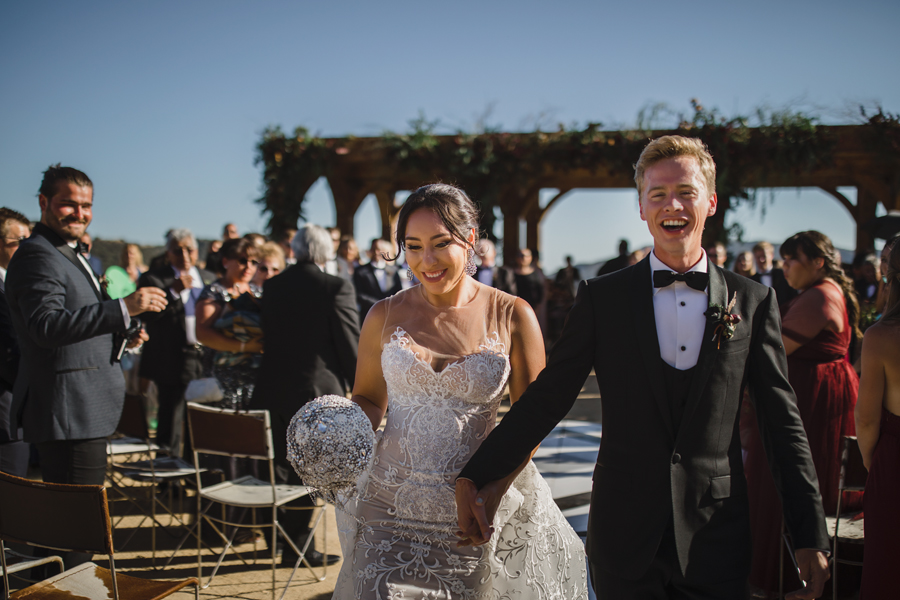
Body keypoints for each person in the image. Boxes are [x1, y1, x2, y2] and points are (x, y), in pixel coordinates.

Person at [456, 136, 830, 599]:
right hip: (623, 535)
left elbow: (781, 423)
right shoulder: (602, 298)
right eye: (658, 194)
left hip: (716, 538)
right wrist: (477, 472)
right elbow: (549, 396)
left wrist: (811, 534)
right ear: (641, 207)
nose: (672, 205)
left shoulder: (753, 302)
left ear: (710, 202)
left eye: (686, 192)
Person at [334, 183, 587, 599]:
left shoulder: (513, 314)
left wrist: (491, 488)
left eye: (439, 244)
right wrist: (335, 429)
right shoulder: (383, 314)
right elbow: (369, 400)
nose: (425, 261)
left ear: (470, 239)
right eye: (412, 247)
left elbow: (532, 419)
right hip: (388, 506)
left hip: (471, 512)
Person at [5, 165, 165, 567]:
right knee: (76, 537)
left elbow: (75, 325)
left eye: (86, 206)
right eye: (68, 204)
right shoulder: (38, 254)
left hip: (83, 407)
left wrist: (122, 333)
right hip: (68, 410)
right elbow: (45, 326)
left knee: (68, 532)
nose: (79, 213)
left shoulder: (65, 253)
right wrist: (122, 309)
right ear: (44, 203)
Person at [743, 230, 862, 594]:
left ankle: (789, 575)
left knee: (789, 473)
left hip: (813, 402)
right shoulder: (820, 293)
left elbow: (771, 352)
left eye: (792, 259)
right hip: (816, 393)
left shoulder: (818, 297)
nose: (785, 266)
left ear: (818, 263)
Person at [250, 224, 358, 568]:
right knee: (308, 472)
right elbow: (347, 341)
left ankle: (277, 541)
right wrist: (362, 385)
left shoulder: (273, 285)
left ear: (294, 249)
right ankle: (297, 548)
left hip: (270, 387)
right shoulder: (335, 286)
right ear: (326, 251)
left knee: (279, 469)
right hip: (314, 395)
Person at [137, 229, 215, 453]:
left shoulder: (208, 278)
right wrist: (173, 291)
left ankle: (195, 476)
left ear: (197, 251)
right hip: (171, 359)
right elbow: (146, 315)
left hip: (204, 359)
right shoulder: (154, 278)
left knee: (200, 419)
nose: (184, 255)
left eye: (189, 249)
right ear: (168, 253)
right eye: (177, 250)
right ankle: (169, 483)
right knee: (171, 420)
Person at [855, 239, 900, 599]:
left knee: (889, 565)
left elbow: (867, 420)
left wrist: (876, 464)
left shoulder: (882, 336)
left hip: (895, 461)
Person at [195, 237, 263, 409]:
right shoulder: (214, 292)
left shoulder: (258, 292)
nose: (249, 267)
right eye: (242, 260)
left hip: (256, 375)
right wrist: (243, 347)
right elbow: (202, 333)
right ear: (225, 261)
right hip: (223, 376)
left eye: (254, 262)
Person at [0, 207, 31, 476]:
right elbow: (9, 353)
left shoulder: (11, 283)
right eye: (19, 241)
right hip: (5, 414)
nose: (26, 249)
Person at [353, 238, 401, 319]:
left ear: (384, 251)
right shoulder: (360, 271)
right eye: (373, 249)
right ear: (370, 251)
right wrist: (379, 305)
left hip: (391, 316)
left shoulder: (393, 270)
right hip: (369, 315)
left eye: (378, 249)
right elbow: (359, 294)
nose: (376, 252)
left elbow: (399, 291)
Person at [751, 240, 797, 307]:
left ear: (772, 255)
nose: (761, 260)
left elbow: (793, 296)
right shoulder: (751, 280)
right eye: (758, 257)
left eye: (764, 256)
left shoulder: (784, 275)